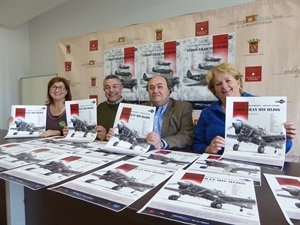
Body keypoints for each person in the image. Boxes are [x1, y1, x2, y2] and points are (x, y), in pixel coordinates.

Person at [192, 63, 297, 155]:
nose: (224, 86)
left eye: (228, 80)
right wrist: (209, 149)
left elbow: (285, 150)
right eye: (218, 84)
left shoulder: (262, 105)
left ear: (238, 82)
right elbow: (196, 145)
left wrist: (285, 137)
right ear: (214, 90)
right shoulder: (208, 113)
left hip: (256, 164)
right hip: (218, 164)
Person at [107, 75, 194, 151]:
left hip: (171, 153)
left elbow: (187, 136)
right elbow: (132, 132)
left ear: (169, 90)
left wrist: (162, 143)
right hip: (143, 152)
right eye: (151, 88)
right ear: (148, 91)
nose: (155, 91)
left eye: (160, 87)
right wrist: (115, 135)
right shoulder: (141, 108)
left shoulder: (183, 108)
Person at [7, 76, 72, 137]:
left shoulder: (72, 110)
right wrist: (14, 125)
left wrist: (59, 132)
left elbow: (78, 133)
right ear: (49, 91)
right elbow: (33, 129)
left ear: (66, 91)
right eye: (53, 87)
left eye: (61, 87)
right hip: (43, 145)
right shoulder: (42, 110)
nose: (57, 90)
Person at [95, 75, 127, 140]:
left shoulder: (130, 108)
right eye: (107, 87)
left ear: (121, 88)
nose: (111, 90)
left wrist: (106, 136)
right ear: (104, 90)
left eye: (114, 86)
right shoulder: (100, 107)